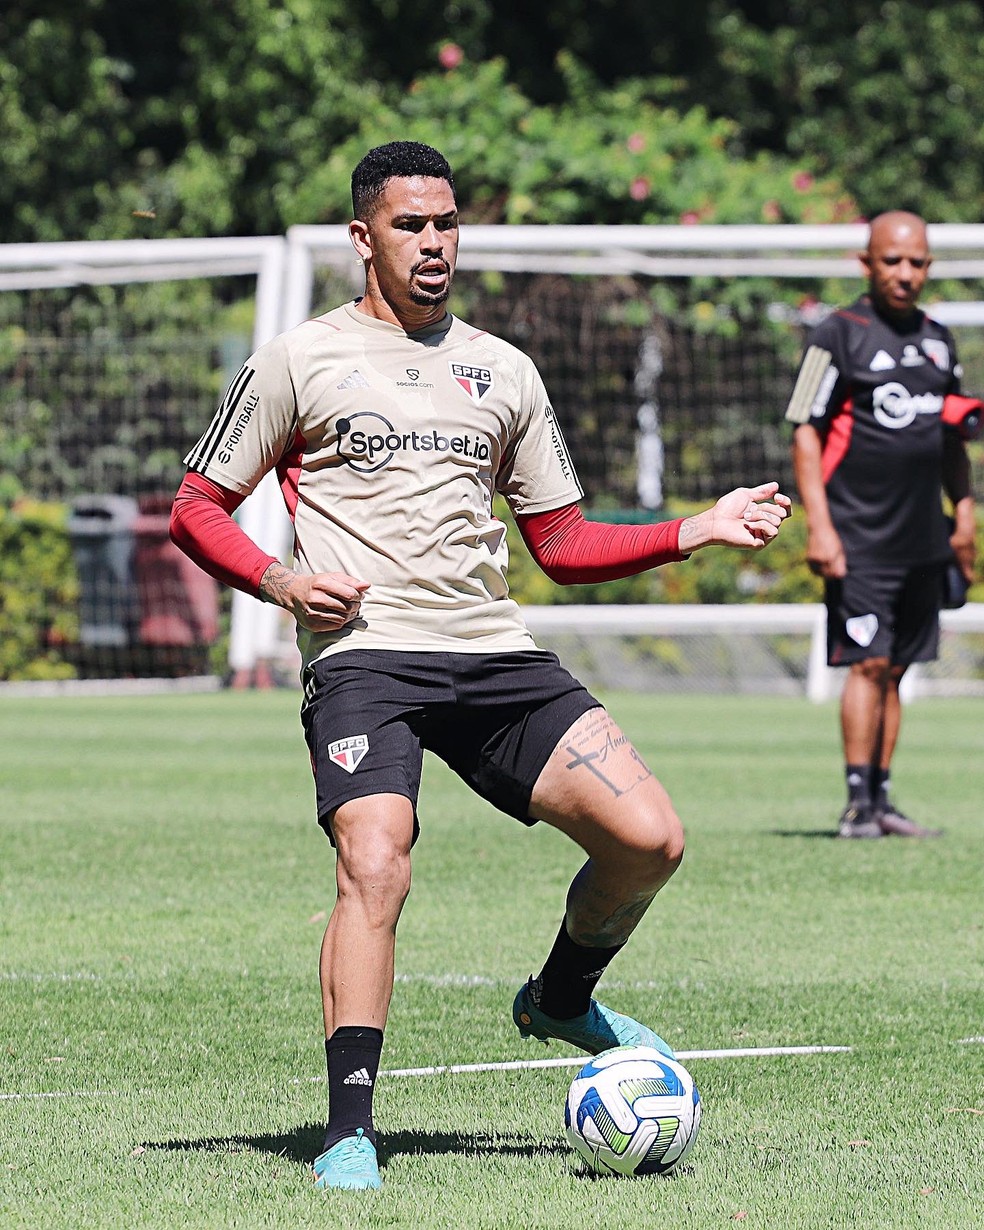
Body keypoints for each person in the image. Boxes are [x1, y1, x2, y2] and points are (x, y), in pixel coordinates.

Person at [170, 140, 792, 1191]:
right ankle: (350, 1132)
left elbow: (564, 543)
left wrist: (695, 528)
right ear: (362, 237)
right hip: (368, 657)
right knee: (376, 861)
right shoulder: (298, 359)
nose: (434, 243)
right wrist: (279, 583)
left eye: (447, 224)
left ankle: (559, 1000)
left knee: (651, 841)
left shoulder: (503, 369)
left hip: (492, 652)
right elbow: (196, 506)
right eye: (410, 225)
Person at [785, 210, 978, 840]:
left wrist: (964, 518)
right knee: (867, 663)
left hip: (923, 539)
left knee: (897, 667)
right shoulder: (835, 334)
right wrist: (820, 527)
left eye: (916, 262)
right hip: (858, 538)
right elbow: (804, 430)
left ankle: (883, 799)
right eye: (892, 260)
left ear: (929, 266)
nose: (905, 272)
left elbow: (953, 440)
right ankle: (856, 805)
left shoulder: (939, 340)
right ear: (866, 263)